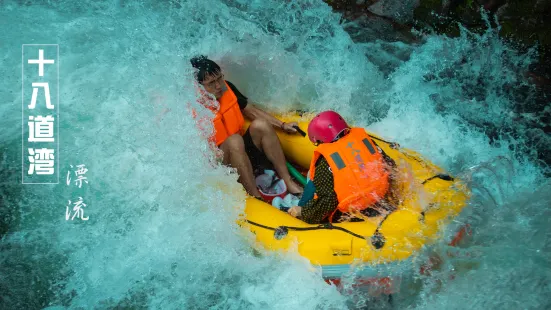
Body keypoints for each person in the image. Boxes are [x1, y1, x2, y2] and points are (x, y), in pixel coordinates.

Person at [190, 55, 303, 199]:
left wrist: (282, 125)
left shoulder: (227, 87)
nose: (219, 85)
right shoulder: (193, 106)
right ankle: (255, 196)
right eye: (211, 83)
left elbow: (251, 111)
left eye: (219, 78)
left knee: (260, 125)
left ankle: (288, 181)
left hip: (242, 151)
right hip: (222, 164)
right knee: (235, 140)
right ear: (199, 87)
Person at [288, 111, 397, 224]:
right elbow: (390, 165)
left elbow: (328, 201)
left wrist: (303, 211)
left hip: (353, 213)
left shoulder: (326, 163)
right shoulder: (366, 141)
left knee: (312, 181)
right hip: (381, 198)